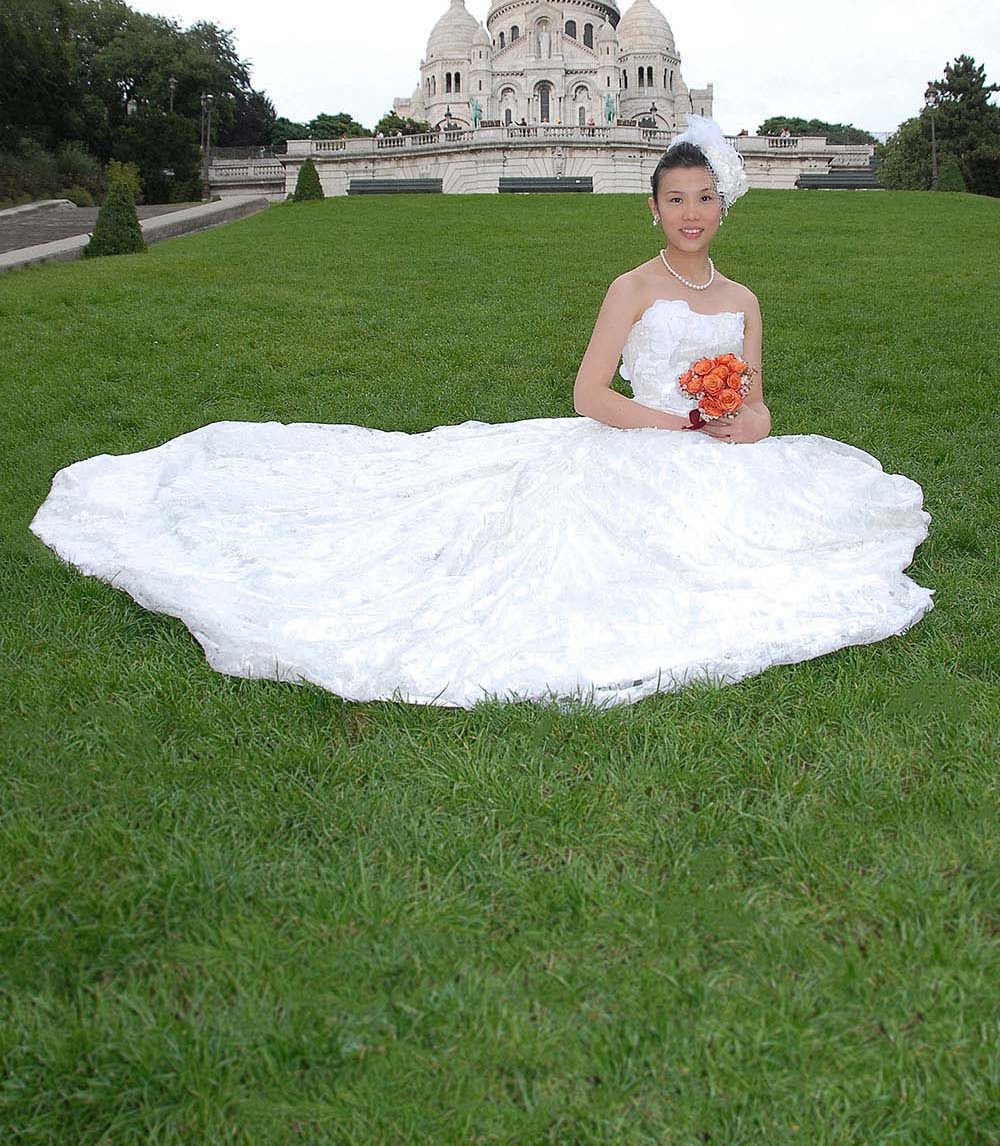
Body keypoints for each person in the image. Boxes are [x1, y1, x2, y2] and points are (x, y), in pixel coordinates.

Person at [30, 118, 932, 709]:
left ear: (722, 205)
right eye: (675, 199)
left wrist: (749, 424)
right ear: (652, 207)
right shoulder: (632, 286)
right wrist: (678, 428)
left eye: (705, 199)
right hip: (643, 443)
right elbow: (587, 397)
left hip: (722, 456)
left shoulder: (744, 296)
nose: (691, 214)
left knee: (798, 549)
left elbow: (763, 398)